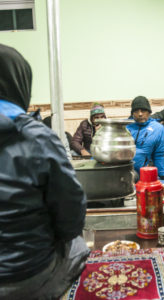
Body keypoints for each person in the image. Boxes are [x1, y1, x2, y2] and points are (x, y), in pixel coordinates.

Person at [0, 44, 89, 299]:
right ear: (20, 84)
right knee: (77, 245)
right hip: (26, 276)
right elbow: (71, 211)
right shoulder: (37, 137)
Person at [127, 96, 164, 181]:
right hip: (123, 171)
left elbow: (159, 155)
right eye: (136, 111)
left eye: (143, 110)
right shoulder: (125, 127)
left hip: (143, 174)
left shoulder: (158, 129)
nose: (140, 114)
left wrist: (163, 175)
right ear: (132, 113)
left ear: (149, 112)